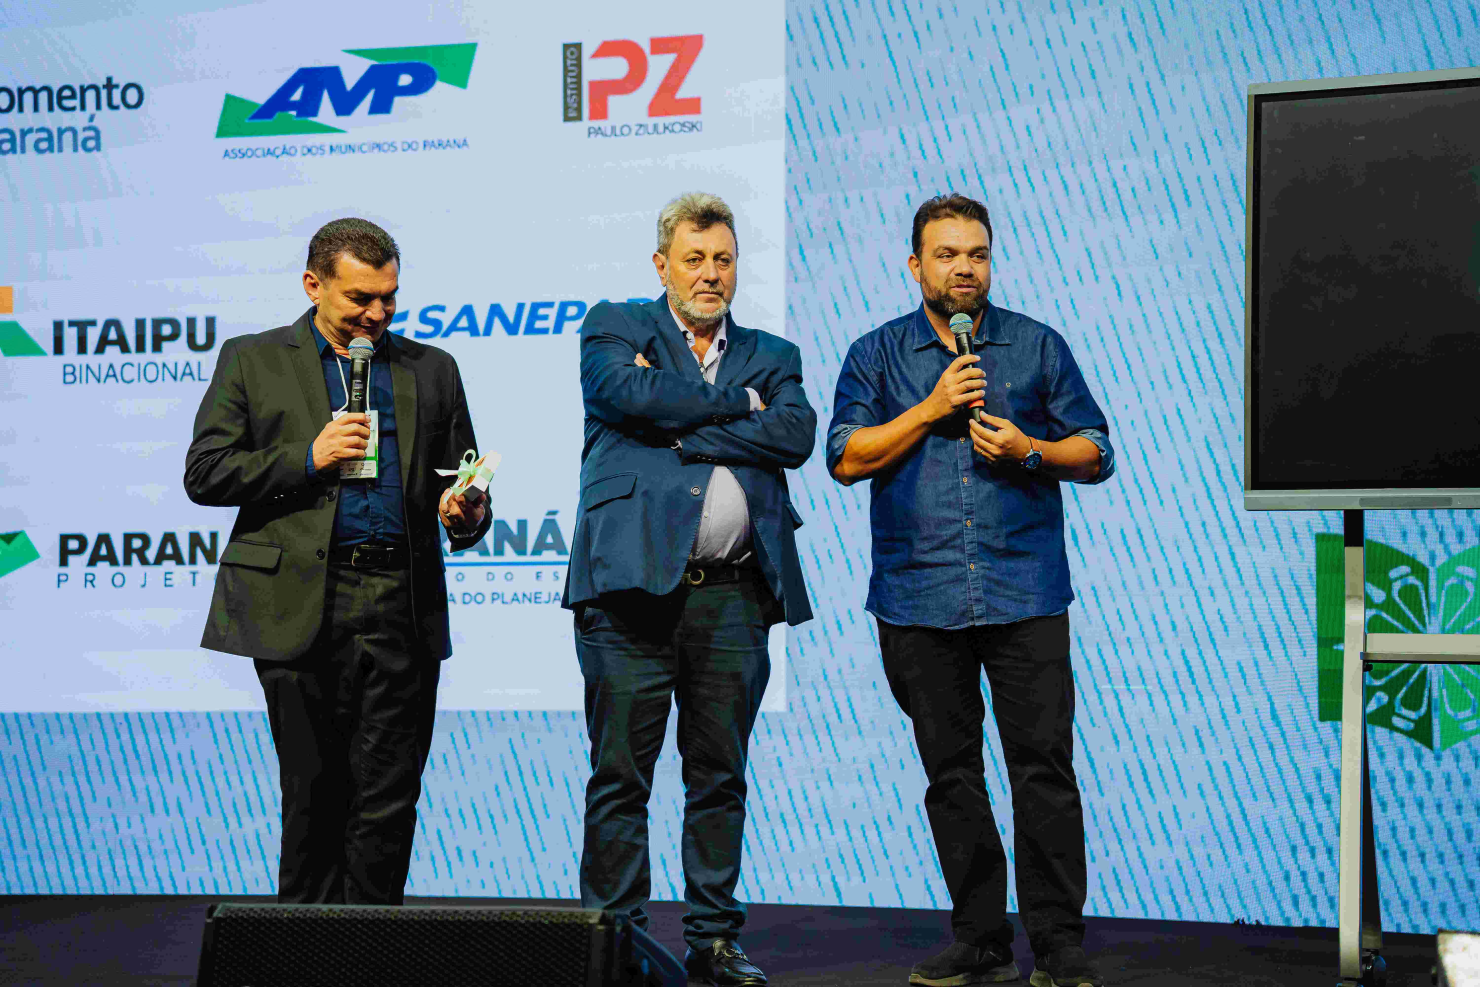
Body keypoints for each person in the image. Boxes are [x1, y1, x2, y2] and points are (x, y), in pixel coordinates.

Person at [827, 194, 1115, 987]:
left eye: (977, 254)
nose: (964, 268)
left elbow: (1097, 450)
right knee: (951, 775)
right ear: (915, 265)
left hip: (1025, 591)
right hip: (918, 596)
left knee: (1043, 770)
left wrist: (1030, 449)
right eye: (947, 254)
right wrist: (930, 408)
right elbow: (845, 456)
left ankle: (1057, 944)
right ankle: (981, 936)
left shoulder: (1036, 344)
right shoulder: (877, 354)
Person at [184, 218, 491, 904]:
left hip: (401, 601)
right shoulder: (252, 359)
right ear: (312, 285)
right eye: (359, 298)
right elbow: (205, 473)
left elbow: (462, 480)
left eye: (389, 297)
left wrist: (467, 512)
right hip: (299, 603)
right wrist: (307, 457)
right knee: (313, 794)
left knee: (389, 799)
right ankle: (306, 949)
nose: (377, 314)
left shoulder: (432, 368)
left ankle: (371, 948)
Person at [563, 192, 815, 987]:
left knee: (719, 777)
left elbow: (795, 433)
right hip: (629, 593)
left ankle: (712, 939)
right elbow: (622, 395)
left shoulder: (773, 352)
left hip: (734, 597)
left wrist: (675, 415)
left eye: (724, 259)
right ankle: (616, 942)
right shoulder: (616, 325)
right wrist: (738, 406)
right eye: (695, 258)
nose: (711, 273)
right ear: (662, 264)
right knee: (620, 777)